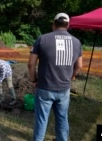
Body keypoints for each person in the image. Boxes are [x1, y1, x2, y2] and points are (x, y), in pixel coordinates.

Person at [28, 13, 82, 141]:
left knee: (41, 119)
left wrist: (34, 79)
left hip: (45, 87)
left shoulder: (42, 39)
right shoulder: (77, 42)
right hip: (64, 89)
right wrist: (71, 76)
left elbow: (31, 64)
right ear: (68, 25)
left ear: (54, 24)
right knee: (62, 118)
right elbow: (79, 66)